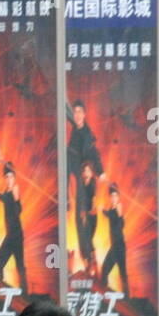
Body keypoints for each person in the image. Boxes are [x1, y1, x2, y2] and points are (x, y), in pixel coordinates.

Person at [67, 100, 104, 247]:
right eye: (75, 112)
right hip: (74, 170)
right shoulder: (75, 127)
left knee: (83, 214)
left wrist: (101, 172)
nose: (77, 115)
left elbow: (94, 154)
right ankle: (86, 249)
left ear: (84, 114)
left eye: (79, 112)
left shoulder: (87, 135)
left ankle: (88, 250)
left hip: (83, 177)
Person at [0, 162, 27, 292]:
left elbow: (18, 208)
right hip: (11, 234)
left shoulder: (15, 189)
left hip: (16, 234)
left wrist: (16, 197)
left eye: (11, 177)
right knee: (1, 262)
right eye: (6, 177)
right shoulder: (7, 191)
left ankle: (24, 293)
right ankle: (0, 290)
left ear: (14, 178)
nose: (8, 180)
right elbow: (5, 199)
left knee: (18, 265)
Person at [100, 184, 128, 293]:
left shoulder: (118, 207)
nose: (114, 198)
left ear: (119, 197)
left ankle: (127, 299)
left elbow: (121, 225)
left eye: (116, 196)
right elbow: (109, 214)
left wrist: (120, 213)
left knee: (122, 273)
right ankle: (104, 293)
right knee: (106, 270)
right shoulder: (112, 209)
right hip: (115, 245)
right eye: (112, 196)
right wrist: (103, 211)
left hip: (119, 245)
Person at [75, 161, 99, 276]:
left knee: (88, 240)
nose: (86, 172)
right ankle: (91, 263)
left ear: (92, 172)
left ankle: (91, 264)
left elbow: (93, 198)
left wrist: (92, 209)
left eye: (88, 170)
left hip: (91, 214)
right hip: (85, 215)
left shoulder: (92, 183)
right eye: (84, 170)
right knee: (86, 240)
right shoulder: (82, 183)